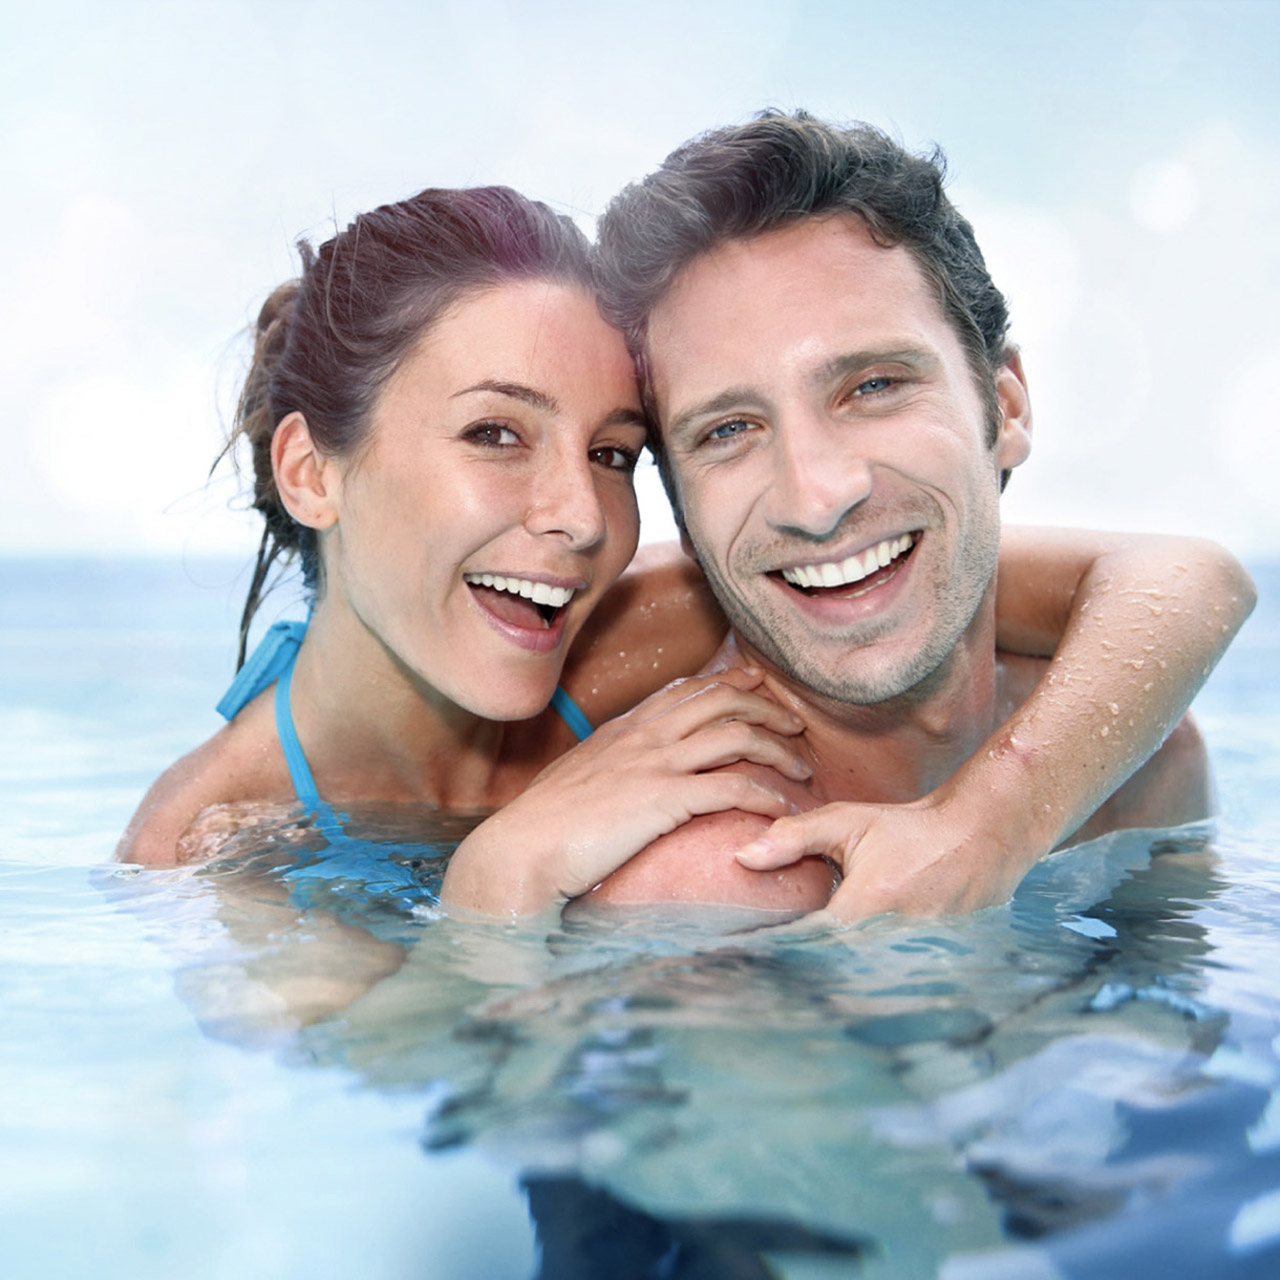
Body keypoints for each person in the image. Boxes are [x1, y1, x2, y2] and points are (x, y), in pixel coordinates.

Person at [439, 115, 1255, 921]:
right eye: (728, 431)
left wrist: (991, 825)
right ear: (683, 515)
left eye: (873, 386)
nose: (819, 496)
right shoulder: (713, 881)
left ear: (1004, 407)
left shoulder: (1139, 761)